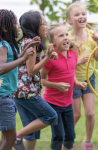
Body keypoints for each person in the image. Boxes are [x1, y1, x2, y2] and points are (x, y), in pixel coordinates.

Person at [13, 11, 59, 150]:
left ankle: (18, 137)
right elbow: (31, 71)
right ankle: (15, 137)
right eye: (44, 23)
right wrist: (47, 57)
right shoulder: (30, 44)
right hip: (27, 92)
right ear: (35, 26)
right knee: (51, 117)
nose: (46, 26)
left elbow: (27, 65)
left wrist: (46, 55)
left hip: (20, 92)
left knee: (32, 131)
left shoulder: (29, 42)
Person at [41, 23, 87, 150]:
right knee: (58, 135)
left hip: (68, 103)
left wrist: (77, 83)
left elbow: (71, 72)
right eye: (61, 36)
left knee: (70, 135)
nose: (66, 37)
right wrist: (57, 85)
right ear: (52, 43)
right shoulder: (50, 58)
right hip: (52, 103)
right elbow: (40, 79)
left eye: (66, 34)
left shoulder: (73, 54)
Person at [65, 1, 98, 149]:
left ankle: (88, 142)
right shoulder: (66, 38)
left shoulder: (92, 36)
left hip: (89, 78)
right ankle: (66, 139)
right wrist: (79, 61)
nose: (81, 16)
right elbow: (64, 63)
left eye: (83, 14)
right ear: (69, 20)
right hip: (72, 78)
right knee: (76, 115)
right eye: (77, 14)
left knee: (90, 114)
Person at [0, 9, 36, 150]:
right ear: (4, 27)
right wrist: (23, 58)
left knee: (5, 137)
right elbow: (1, 68)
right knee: (10, 139)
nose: (18, 26)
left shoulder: (7, 45)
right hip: (3, 97)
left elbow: (12, 63)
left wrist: (27, 49)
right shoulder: (3, 46)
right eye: (15, 23)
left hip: (6, 95)